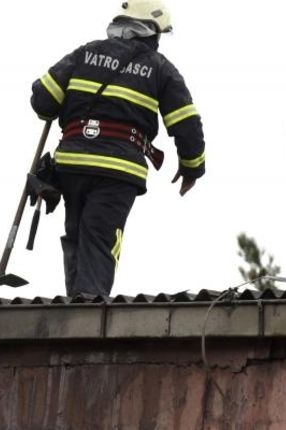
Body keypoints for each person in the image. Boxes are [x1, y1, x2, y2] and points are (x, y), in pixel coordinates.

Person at [30, 0, 205, 297]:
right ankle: (88, 308)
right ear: (151, 31)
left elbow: (42, 100)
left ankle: (75, 303)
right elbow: (186, 122)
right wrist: (192, 167)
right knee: (100, 238)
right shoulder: (160, 68)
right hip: (118, 170)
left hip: (72, 164)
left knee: (76, 235)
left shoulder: (84, 53)